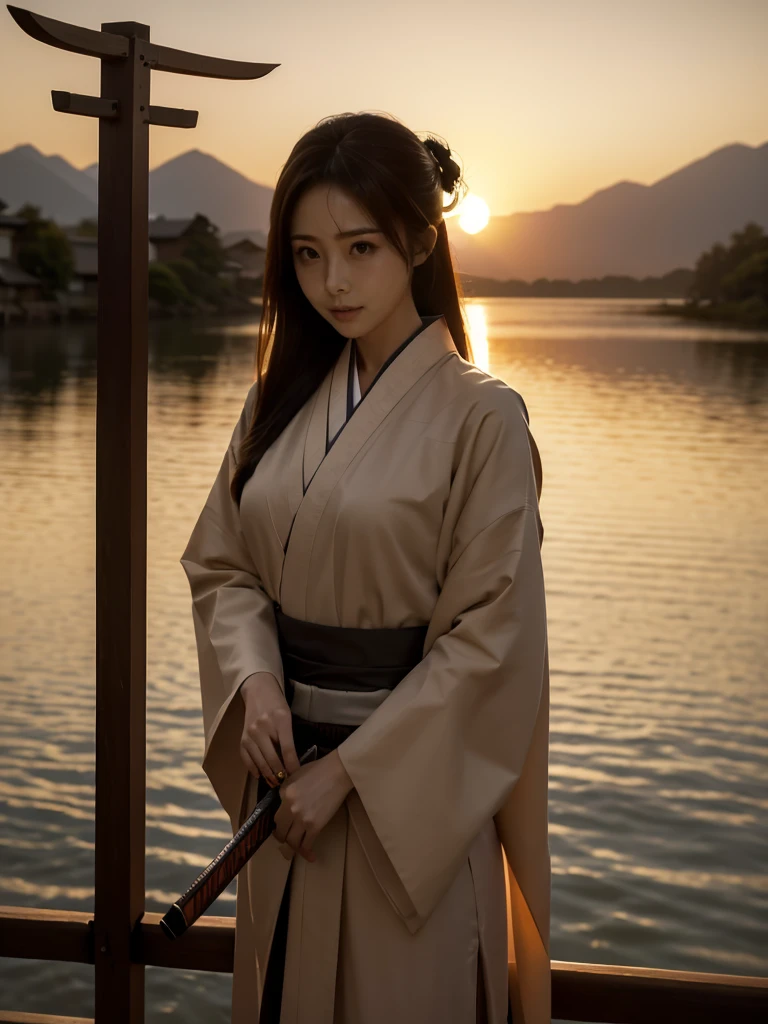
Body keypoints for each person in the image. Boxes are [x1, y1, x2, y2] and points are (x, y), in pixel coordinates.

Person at [180, 110, 550, 1024]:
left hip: (402, 823)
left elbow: (491, 642)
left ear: (422, 241)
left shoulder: (484, 419)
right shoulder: (278, 399)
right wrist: (255, 680)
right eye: (306, 255)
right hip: (282, 804)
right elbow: (223, 566)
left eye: (359, 248)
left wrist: (350, 774)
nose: (331, 283)